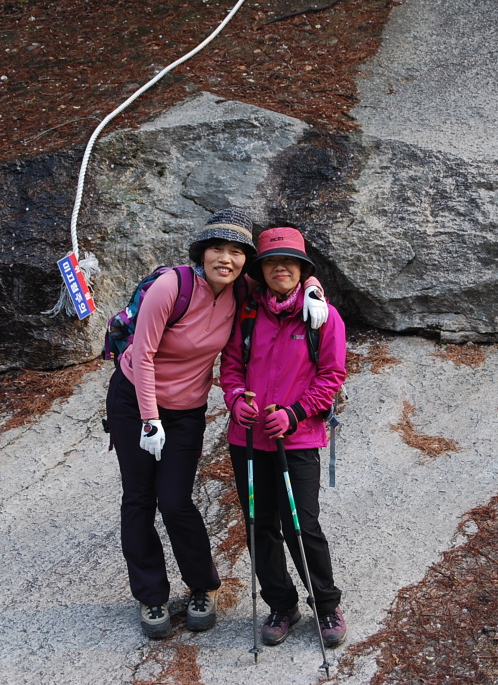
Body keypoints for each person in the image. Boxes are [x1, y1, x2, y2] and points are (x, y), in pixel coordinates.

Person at [105, 209, 329, 640]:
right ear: (202, 252)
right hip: (135, 402)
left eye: (236, 252)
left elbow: (288, 275)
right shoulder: (172, 286)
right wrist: (150, 418)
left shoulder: (241, 288)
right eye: (217, 249)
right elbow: (145, 353)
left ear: (245, 261)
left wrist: (315, 290)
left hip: (186, 409)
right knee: (138, 498)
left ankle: (201, 587)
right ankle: (151, 593)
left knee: (174, 501)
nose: (226, 258)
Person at [219, 225, 348, 649]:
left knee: (301, 525)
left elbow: (332, 375)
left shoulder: (322, 316)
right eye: (272, 262)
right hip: (248, 438)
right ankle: (281, 604)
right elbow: (232, 365)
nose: (281, 268)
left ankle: (326, 604)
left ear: (302, 268)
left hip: (298, 438)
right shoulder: (248, 313)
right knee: (260, 525)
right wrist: (236, 400)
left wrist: (295, 413)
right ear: (261, 269)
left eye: (289, 262)